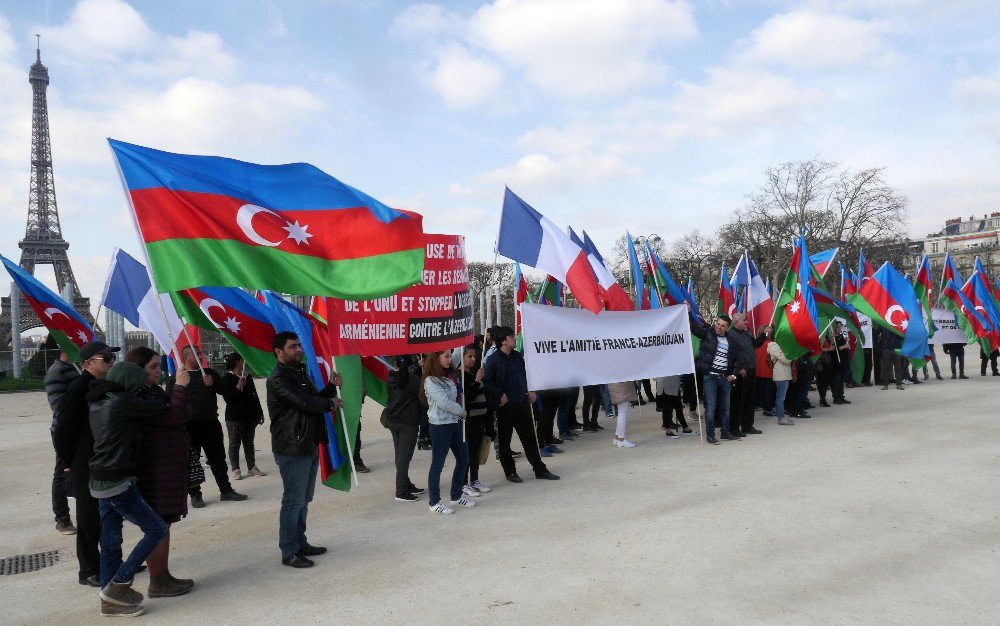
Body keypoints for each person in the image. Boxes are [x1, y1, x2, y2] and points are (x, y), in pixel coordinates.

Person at [87, 361, 170, 617]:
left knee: (111, 541)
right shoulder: (121, 401)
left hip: (100, 477)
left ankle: (109, 598)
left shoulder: (99, 399)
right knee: (156, 529)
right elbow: (160, 406)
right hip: (117, 479)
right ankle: (120, 584)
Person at [267, 331, 342, 568]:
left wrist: (330, 388)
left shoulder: (299, 372)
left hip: (306, 443)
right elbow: (305, 403)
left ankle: (300, 542)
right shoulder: (278, 378)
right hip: (291, 447)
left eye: (299, 345)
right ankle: (289, 551)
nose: (299, 350)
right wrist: (330, 403)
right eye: (293, 347)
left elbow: (313, 398)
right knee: (293, 500)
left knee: (304, 499)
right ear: (279, 352)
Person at [124, 347, 194, 599]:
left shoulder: (151, 391)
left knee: (164, 523)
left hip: (166, 464)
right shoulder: (137, 397)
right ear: (137, 369)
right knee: (158, 524)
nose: (158, 370)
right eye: (153, 367)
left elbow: (184, 413)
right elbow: (173, 417)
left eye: (158, 366)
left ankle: (162, 575)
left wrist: (178, 393)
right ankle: (157, 580)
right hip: (154, 467)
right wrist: (180, 387)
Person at [53, 340, 119, 587]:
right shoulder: (77, 389)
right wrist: (69, 462)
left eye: (112, 358)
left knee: (108, 514)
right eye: (107, 358)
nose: (112, 362)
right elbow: (63, 430)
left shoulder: (101, 385)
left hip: (102, 460)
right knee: (89, 518)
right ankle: (88, 570)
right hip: (85, 462)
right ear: (89, 362)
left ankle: (110, 561)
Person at [166, 345, 246, 508]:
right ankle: (195, 494)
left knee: (218, 459)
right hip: (188, 427)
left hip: (210, 424)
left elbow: (226, 392)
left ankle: (226, 490)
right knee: (191, 461)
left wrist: (213, 383)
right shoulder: (177, 378)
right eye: (197, 354)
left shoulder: (209, 374)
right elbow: (170, 402)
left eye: (200, 353)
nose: (201, 356)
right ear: (186, 357)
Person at [482, 326, 560, 483]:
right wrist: (500, 394)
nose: (515, 338)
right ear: (504, 341)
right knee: (504, 442)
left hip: (523, 404)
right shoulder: (492, 360)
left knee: (530, 439)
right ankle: (510, 471)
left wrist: (532, 391)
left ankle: (539, 469)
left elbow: (527, 376)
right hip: (505, 408)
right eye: (512, 336)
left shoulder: (517, 356)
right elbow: (486, 383)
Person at [420, 350, 474, 515]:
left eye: (451, 356)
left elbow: (459, 350)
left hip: (455, 424)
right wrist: (461, 411)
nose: (450, 359)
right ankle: (434, 502)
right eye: (446, 356)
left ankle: (456, 495)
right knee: (438, 464)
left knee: (464, 459)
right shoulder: (430, 380)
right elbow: (443, 402)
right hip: (440, 426)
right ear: (436, 358)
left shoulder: (450, 373)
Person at [45, 350, 79, 535]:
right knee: (62, 473)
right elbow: (58, 405)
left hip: (81, 429)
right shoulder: (56, 371)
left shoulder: (76, 368)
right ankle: (62, 519)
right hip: (64, 430)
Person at [692, 315, 737, 444]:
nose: (719, 327)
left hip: (725, 379)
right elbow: (694, 328)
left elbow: (737, 360)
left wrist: (733, 375)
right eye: (718, 324)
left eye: (723, 326)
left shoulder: (731, 340)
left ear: (727, 328)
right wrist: (688, 312)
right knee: (710, 408)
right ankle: (710, 435)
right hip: (710, 377)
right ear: (715, 323)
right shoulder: (707, 334)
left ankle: (725, 433)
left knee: (725, 408)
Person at [221, 353, 266, 481]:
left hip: (250, 415)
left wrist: (260, 412)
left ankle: (252, 467)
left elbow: (254, 396)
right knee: (234, 443)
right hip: (234, 417)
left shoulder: (248, 378)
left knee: (249, 442)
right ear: (236, 362)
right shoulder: (226, 379)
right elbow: (228, 398)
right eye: (241, 360)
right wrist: (238, 387)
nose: (243, 362)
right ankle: (235, 469)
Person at [385, 355, 424, 502]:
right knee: (404, 457)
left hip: (393, 420)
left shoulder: (390, 377)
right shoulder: (412, 380)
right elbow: (423, 394)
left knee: (400, 455)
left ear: (394, 363)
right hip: (408, 422)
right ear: (410, 364)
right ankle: (401, 491)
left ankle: (405, 484)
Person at [727, 314, 768, 436]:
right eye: (744, 320)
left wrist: (764, 334)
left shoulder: (746, 333)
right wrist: (738, 368)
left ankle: (747, 425)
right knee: (738, 401)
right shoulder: (731, 335)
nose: (746, 322)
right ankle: (734, 428)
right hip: (739, 373)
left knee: (750, 399)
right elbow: (731, 354)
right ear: (735, 322)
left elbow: (756, 344)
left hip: (751, 370)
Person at [462, 345, 493, 497]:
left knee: (475, 451)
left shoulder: (473, 374)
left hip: (480, 419)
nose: (473, 359)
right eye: (469, 356)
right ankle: (463, 483)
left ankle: (474, 480)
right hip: (469, 421)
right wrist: (477, 380)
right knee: (467, 453)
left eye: (474, 357)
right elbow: (469, 396)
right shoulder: (462, 377)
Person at [767, 341, 795, 425]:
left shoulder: (780, 345)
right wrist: (793, 356)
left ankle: (781, 417)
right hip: (781, 374)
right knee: (780, 397)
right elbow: (785, 360)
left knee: (781, 397)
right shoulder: (775, 346)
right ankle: (781, 418)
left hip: (784, 374)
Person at [607, 381, 638, 447]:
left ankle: (617, 438)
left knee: (627, 411)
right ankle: (621, 440)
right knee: (623, 413)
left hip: (621, 384)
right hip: (621, 385)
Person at [755, 331, 775, 416]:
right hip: (768, 370)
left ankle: (761, 405)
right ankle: (768, 409)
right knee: (768, 391)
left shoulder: (756, 343)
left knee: (760, 390)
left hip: (758, 370)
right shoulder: (771, 344)